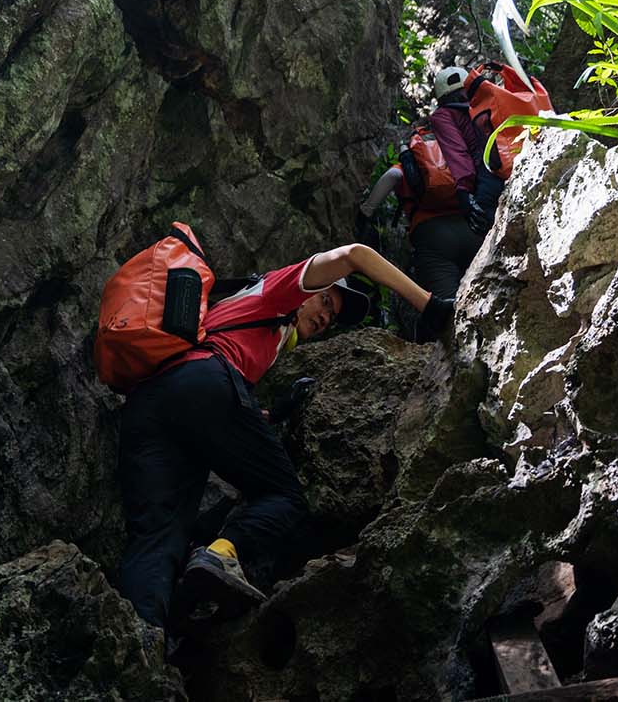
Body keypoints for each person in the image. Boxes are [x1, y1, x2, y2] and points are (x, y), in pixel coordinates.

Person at [116, 240, 452, 633]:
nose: (327, 317)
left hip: (151, 403)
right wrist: (430, 305)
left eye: (334, 316)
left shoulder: (247, 320)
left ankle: (145, 643)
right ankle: (220, 554)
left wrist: (273, 415)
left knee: (160, 538)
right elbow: (355, 254)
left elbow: (214, 415)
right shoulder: (279, 290)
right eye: (326, 301)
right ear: (308, 292)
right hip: (204, 380)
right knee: (284, 496)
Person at [356, 65, 499, 309]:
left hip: (433, 237)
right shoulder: (482, 128)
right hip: (480, 227)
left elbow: (392, 176)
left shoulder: (423, 146)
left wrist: (365, 213)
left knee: (447, 311)